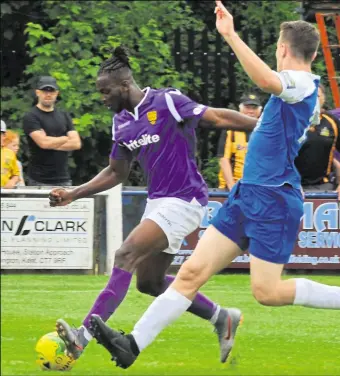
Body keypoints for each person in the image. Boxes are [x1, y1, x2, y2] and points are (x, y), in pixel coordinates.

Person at [88, 2, 340, 369]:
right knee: (190, 274)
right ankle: (131, 345)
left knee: (267, 292)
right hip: (247, 195)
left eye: (276, 45)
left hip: (274, 198)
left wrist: (229, 34)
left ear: (283, 49)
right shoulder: (295, 87)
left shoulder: (303, 82)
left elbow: (266, 81)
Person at [49, 46, 259, 364]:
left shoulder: (167, 102)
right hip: (158, 204)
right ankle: (221, 317)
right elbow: (116, 172)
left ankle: (81, 338)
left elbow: (215, 117)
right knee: (150, 283)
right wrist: (75, 193)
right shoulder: (120, 123)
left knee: (124, 255)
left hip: (186, 200)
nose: (102, 98)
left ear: (124, 85)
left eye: (105, 92)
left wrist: (262, 126)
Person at [295, 84, 340, 201]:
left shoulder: (331, 121)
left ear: (323, 99)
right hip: (293, 186)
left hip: (323, 185)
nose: (313, 100)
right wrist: (291, 183)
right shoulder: (293, 119)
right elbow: (280, 154)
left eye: (317, 96)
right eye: (309, 96)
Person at [23, 76, 81, 186]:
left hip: (63, 178)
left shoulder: (64, 115)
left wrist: (50, 142)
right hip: (38, 180)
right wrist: (65, 138)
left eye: (52, 91)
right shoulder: (31, 116)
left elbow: (76, 143)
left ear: (57, 93)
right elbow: (43, 143)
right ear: (37, 92)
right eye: (45, 91)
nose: (48, 94)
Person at [217, 93, 262, 190]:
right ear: (240, 109)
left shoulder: (266, 131)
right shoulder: (230, 130)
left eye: (254, 108)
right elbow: (223, 159)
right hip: (231, 187)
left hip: (259, 187)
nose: (250, 111)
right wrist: (232, 187)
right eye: (247, 107)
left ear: (260, 110)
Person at [1, 120, 20, 189]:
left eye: (3, 135)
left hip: (5, 193)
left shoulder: (10, 153)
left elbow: (16, 175)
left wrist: (12, 181)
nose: (3, 137)